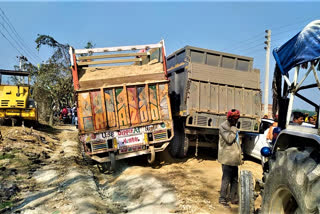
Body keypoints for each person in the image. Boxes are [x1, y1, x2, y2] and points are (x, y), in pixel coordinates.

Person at [218, 109, 242, 208]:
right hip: (227, 158)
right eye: (235, 119)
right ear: (230, 118)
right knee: (226, 179)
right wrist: (233, 128)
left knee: (235, 179)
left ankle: (233, 198)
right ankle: (222, 199)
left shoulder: (233, 126)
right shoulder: (223, 127)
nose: (236, 121)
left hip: (234, 158)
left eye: (237, 119)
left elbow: (236, 142)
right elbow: (229, 139)